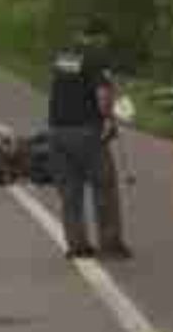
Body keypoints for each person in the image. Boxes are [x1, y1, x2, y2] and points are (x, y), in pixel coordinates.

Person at [46, 31, 131, 260]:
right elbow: (103, 94)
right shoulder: (95, 57)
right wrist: (109, 119)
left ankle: (77, 245)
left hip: (57, 130)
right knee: (104, 186)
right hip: (85, 130)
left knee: (70, 192)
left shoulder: (63, 58)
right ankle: (110, 244)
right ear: (97, 37)